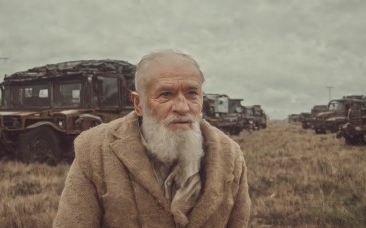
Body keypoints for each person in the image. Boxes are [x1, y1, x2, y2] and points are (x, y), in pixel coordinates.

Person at [53, 50, 251, 227]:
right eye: (166, 94)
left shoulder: (230, 156)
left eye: (192, 93)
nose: (182, 107)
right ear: (138, 104)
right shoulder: (94, 150)